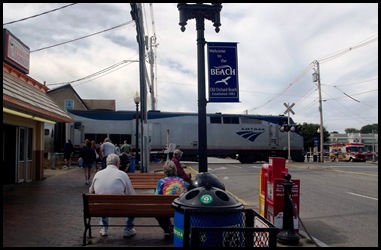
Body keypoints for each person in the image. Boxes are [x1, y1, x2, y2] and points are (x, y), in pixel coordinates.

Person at [89, 154, 136, 238]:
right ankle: (128, 230)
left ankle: (104, 228)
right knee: (133, 204)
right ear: (117, 163)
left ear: (107, 163)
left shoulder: (98, 174)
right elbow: (131, 194)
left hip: (101, 208)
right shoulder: (123, 174)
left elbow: (91, 191)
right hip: (120, 208)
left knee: (102, 200)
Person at [154, 160, 186, 240]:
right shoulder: (181, 181)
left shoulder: (162, 181)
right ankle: (175, 229)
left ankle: (167, 230)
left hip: (167, 208)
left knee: (158, 212)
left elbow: (157, 197)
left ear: (165, 170)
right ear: (175, 170)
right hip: (180, 208)